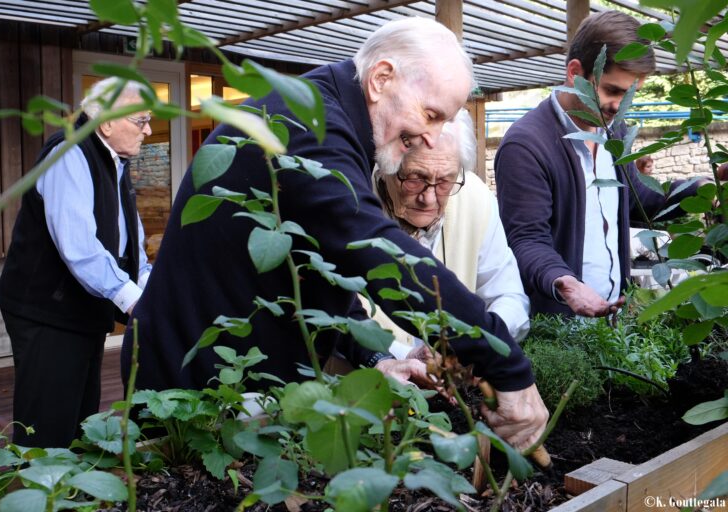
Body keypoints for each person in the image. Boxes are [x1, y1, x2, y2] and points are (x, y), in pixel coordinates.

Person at [124, 17, 548, 450]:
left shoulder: (332, 116)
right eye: (431, 114)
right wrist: (504, 363)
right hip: (188, 388)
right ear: (381, 79)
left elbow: (327, 264)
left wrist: (378, 355)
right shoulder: (311, 127)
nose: (430, 136)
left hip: (234, 385)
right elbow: (378, 253)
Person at [495, 11, 700, 318]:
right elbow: (525, 239)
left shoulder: (612, 131)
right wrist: (566, 284)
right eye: (613, 90)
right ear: (575, 73)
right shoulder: (527, 145)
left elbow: (637, 199)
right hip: (558, 331)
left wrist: (698, 189)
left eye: (630, 94)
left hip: (612, 325)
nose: (620, 106)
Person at [0, 78, 154, 448]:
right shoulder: (69, 153)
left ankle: (72, 498)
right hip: (45, 312)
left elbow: (131, 241)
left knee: (81, 417)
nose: (148, 130)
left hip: (80, 311)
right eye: (141, 120)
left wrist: (149, 286)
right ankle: (39, 499)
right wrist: (133, 301)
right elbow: (79, 247)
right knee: (46, 426)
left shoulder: (115, 161)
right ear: (108, 123)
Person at [370, 109, 530, 358]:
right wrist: (403, 357)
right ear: (386, 166)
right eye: (414, 179)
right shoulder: (353, 204)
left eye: (445, 181)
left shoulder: (475, 197)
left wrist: (479, 342)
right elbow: (335, 321)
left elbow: (509, 296)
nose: (428, 198)